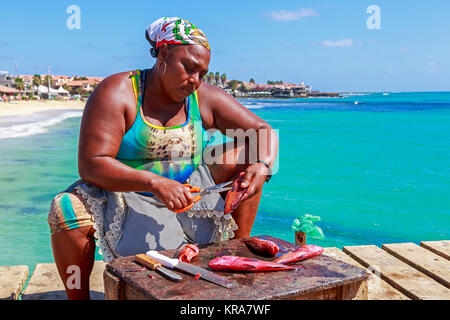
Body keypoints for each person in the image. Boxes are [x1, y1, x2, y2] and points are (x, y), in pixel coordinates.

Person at [47, 17, 278, 300]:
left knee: (253, 153)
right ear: (164, 54)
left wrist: (263, 165)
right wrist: (155, 182)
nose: (195, 80)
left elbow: (263, 132)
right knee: (65, 209)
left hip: (191, 189)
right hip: (126, 193)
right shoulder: (119, 91)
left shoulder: (202, 97)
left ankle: (234, 253)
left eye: (202, 73)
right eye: (189, 68)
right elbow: (91, 163)